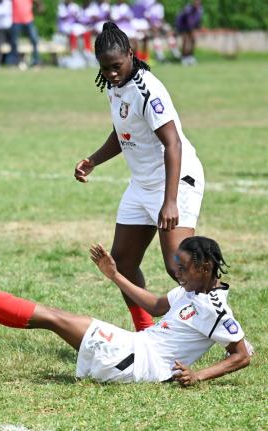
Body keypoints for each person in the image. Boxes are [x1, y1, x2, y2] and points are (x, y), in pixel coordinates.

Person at [0, 238, 251, 385]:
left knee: (51, 317)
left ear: (206, 267)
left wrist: (199, 375)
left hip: (138, 364)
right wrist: (114, 275)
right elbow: (154, 305)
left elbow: (242, 355)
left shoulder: (216, 309)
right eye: (177, 264)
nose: (177, 271)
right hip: (134, 348)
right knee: (50, 317)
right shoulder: (190, 289)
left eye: (183, 267)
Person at [74, 22, 205, 332]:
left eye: (117, 66)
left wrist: (169, 202)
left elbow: (172, 144)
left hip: (175, 181)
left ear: (131, 55)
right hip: (142, 184)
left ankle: (231, 336)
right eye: (105, 68)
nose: (111, 73)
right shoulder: (114, 87)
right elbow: (124, 132)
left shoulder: (148, 90)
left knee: (180, 267)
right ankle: (146, 332)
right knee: (122, 262)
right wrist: (93, 160)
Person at [10, 0, 41, 67]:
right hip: (16, 20)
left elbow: (37, 1)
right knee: (14, 41)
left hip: (28, 20)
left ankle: (36, 61)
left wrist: (39, 6)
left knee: (34, 39)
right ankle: (15, 61)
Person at [175, 0, 203, 66]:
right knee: (186, 41)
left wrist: (198, 28)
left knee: (193, 41)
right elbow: (188, 21)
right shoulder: (188, 9)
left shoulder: (200, 9)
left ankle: (190, 57)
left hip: (191, 26)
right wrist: (192, 30)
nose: (197, 2)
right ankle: (184, 58)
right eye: (196, 1)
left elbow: (198, 20)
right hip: (183, 26)